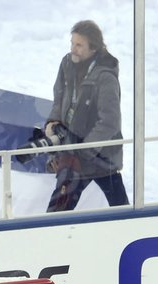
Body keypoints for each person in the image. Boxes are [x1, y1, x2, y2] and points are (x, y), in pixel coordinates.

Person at [43, 19, 129, 212]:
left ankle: (134, 235)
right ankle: (52, 238)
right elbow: (59, 99)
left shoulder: (105, 77)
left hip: (101, 158)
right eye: (72, 43)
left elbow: (109, 122)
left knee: (121, 210)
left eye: (79, 45)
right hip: (74, 153)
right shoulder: (66, 64)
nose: (73, 49)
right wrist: (53, 122)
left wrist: (83, 152)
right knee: (58, 211)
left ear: (93, 48)